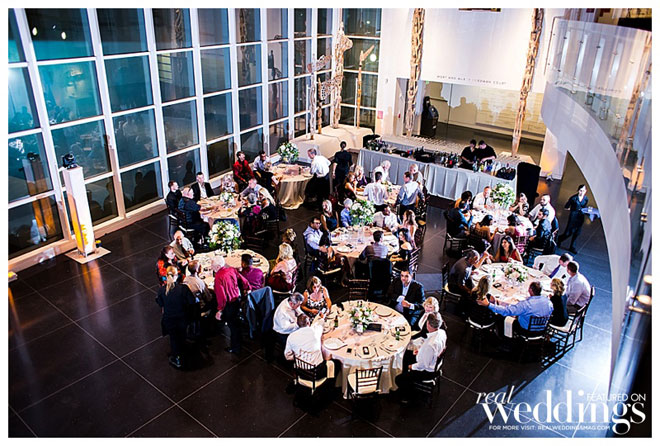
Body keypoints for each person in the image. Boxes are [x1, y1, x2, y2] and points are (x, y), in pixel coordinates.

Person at [394, 313, 446, 403]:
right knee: (406, 355)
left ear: (428, 323)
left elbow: (423, 365)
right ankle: (407, 377)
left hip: (427, 371)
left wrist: (411, 367)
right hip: (431, 360)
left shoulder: (430, 345)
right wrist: (420, 351)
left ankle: (407, 396)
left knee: (398, 379)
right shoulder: (442, 332)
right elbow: (432, 353)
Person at [156, 266, 196, 369]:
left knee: (173, 338)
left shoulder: (162, 290)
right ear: (176, 276)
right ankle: (182, 353)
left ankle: (176, 358)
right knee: (182, 335)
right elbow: (191, 301)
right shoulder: (183, 288)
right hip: (182, 318)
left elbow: (160, 303)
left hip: (169, 320)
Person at [478, 281, 553, 335]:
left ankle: (504, 341)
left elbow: (506, 311)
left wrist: (488, 305)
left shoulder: (526, 305)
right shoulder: (549, 303)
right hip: (542, 329)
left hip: (526, 331)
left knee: (501, 317)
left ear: (530, 290)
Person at [213, 256, 251, 354]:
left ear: (217, 267)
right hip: (237, 300)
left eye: (212, 265)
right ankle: (239, 341)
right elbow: (243, 280)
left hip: (229, 304)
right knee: (236, 323)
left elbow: (221, 296)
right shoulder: (231, 270)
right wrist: (247, 287)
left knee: (233, 327)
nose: (211, 267)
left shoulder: (218, 277)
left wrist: (220, 309)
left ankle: (235, 348)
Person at [284, 313, 335, 379]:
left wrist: (298, 357)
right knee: (335, 362)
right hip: (317, 372)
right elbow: (321, 323)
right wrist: (322, 317)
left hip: (300, 371)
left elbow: (287, 356)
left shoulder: (291, 337)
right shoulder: (316, 331)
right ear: (308, 323)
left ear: (298, 324)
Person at [558, 184, 589, 254]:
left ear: (585, 191)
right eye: (580, 190)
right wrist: (572, 210)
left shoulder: (586, 198)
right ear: (578, 190)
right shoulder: (573, 198)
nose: (582, 192)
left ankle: (572, 247)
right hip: (573, 216)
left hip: (580, 216)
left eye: (583, 191)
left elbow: (584, 207)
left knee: (577, 232)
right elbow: (566, 206)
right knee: (568, 232)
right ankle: (559, 239)